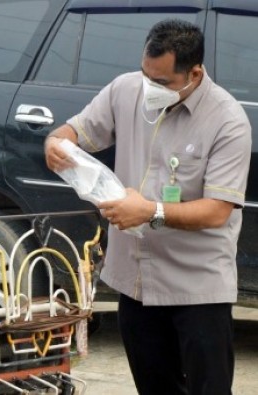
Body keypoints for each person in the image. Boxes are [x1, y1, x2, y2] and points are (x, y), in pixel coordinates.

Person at [44, 19, 251, 395]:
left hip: (197, 288)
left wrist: (151, 212)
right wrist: (57, 142)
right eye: (146, 75)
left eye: (162, 83)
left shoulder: (228, 121)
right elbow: (77, 130)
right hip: (136, 282)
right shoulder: (126, 90)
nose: (149, 89)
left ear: (194, 73)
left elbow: (218, 210)